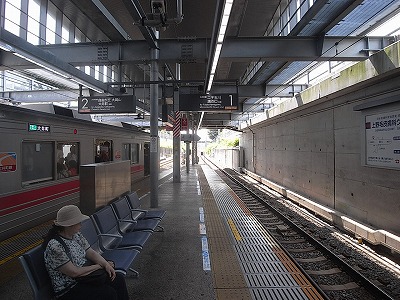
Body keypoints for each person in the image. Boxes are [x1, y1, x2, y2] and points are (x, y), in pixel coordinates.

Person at [43, 205, 129, 300]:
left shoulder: (76, 235)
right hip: (69, 288)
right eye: (78, 222)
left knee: (118, 279)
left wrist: (106, 264)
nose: (81, 225)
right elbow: (74, 272)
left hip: (85, 278)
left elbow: (90, 252)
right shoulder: (55, 246)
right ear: (69, 225)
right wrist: (99, 266)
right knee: (108, 294)